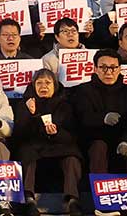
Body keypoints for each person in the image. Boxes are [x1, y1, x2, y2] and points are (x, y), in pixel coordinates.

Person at [13, 69, 83, 214]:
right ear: (33, 86)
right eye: (39, 83)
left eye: (47, 83)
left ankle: (72, 200)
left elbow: (73, 135)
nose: (43, 86)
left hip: (60, 144)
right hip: (35, 145)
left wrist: (57, 133)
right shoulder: (25, 104)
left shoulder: (65, 104)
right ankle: (28, 199)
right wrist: (31, 115)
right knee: (27, 153)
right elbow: (19, 134)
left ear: (55, 86)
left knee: (72, 157)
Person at [73, 49, 127, 175]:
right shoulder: (83, 90)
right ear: (95, 69)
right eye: (103, 67)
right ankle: (99, 192)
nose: (109, 72)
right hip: (94, 139)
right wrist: (103, 118)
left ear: (119, 69)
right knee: (99, 147)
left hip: (122, 138)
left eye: (113, 68)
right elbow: (82, 117)